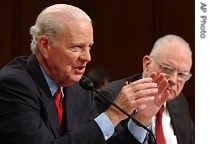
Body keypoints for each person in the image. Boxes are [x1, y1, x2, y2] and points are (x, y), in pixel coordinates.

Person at [0, 4, 170, 144]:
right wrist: (113, 115)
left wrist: (140, 120)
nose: (87, 57)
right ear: (45, 45)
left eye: (89, 47)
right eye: (76, 47)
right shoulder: (13, 85)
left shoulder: (79, 89)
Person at [95, 34, 195, 144]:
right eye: (167, 69)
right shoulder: (112, 98)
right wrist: (140, 120)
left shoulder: (179, 101)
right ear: (147, 64)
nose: (174, 80)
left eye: (181, 74)